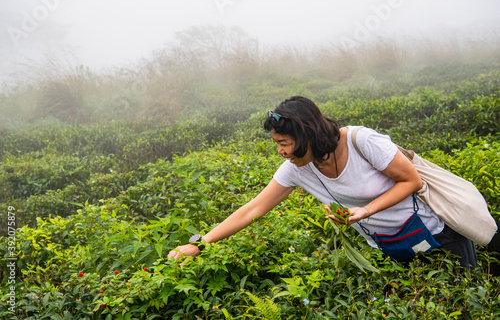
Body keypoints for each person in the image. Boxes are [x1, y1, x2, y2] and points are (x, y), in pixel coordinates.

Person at [167, 96, 478, 268]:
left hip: (438, 233)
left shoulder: (360, 141)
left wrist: (363, 212)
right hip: (394, 249)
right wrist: (200, 244)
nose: (280, 151)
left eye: (284, 141)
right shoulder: (296, 167)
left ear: (306, 134)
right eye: (277, 143)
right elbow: (253, 210)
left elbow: (411, 180)